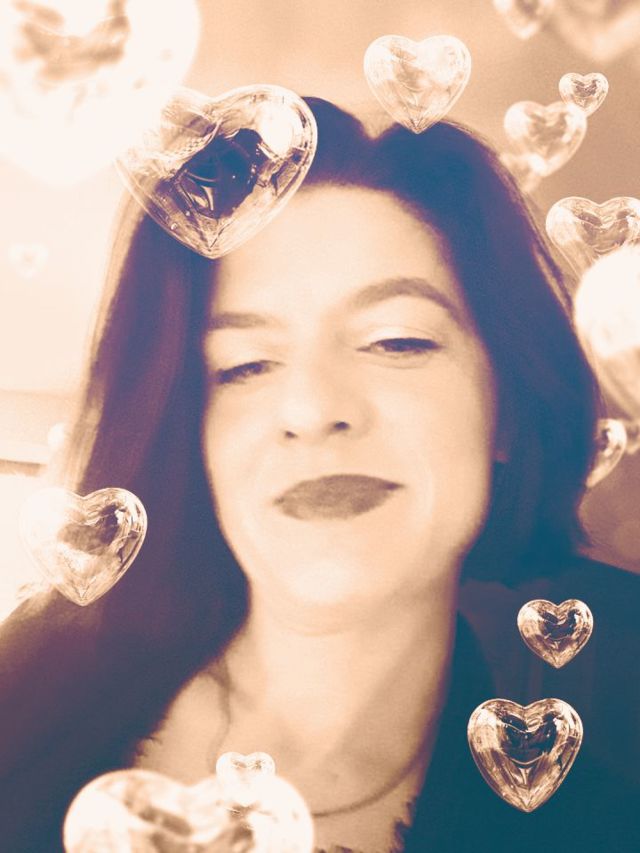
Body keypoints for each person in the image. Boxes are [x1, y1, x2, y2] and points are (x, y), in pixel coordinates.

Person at [1, 97, 638, 853]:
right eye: (243, 365)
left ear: (506, 405)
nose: (310, 409)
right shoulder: (22, 692)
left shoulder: (594, 828)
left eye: (396, 342)